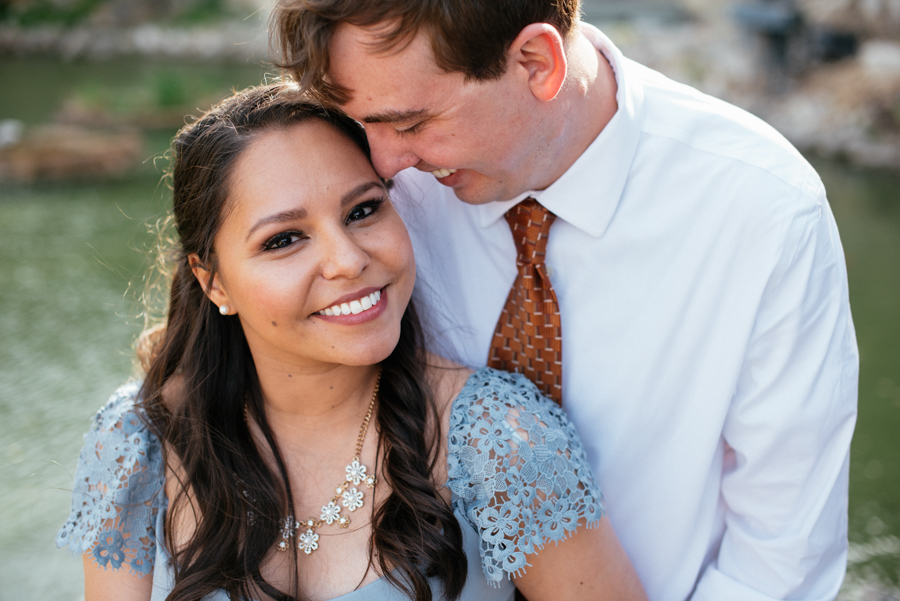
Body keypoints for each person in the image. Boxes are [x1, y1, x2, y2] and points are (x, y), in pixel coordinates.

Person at [272, 1, 860, 600]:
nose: (384, 161)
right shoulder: (371, 197)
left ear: (537, 62)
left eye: (413, 123)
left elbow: (779, 556)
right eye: (365, 122)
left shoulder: (764, 210)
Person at [56, 83, 648, 601]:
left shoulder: (500, 439)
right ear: (215, 283)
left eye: (364, 210)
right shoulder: (137, 445)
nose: (347, 260)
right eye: (284, 240)